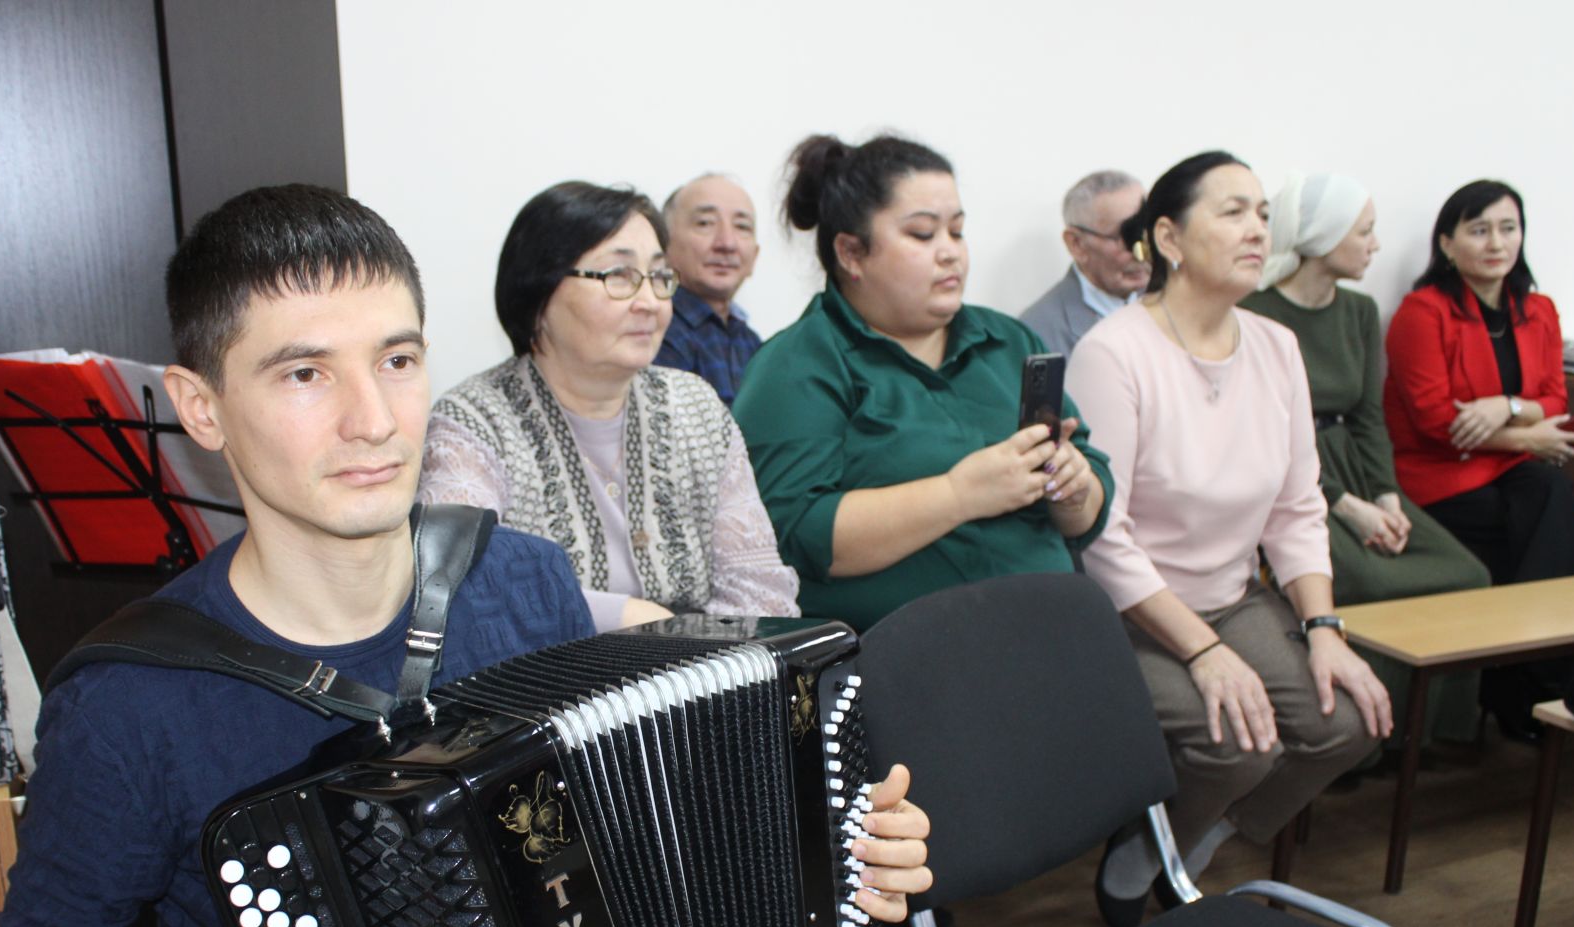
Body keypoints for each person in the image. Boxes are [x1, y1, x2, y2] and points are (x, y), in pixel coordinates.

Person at [0, 185, 958, 927]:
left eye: (397, 360)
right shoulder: (133, 696)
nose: (373, 417)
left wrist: (837, 848)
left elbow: (652, 847)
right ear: (200, 407)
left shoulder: (519, 583)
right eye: (306, 373)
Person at [1067, 152, 1391, 927]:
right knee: (1239, 746)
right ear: (1170, 239)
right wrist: (1205, 652)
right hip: (1128, 612)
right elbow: (1100, 536)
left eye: (1263, 214)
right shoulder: (1115, 353)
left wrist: (1323, 629)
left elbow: (1296, 507)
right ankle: (1152, 847)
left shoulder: (1277, 347)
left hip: (1234, 596)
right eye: (1233, 212)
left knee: (1349, 721)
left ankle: (1198, 832)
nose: (1256, 230)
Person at [732, 133, 1113, 633]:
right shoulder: (798, 365)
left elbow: (1091, 488)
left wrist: (1075, 486)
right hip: (908, 660)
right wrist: (959, 494)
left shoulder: (1007, 340)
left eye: (956, 232)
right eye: (922, 235)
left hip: (1051, 628)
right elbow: (792, 533)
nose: (950, 253)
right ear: (851, 252)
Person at [421, 181, 798, 634]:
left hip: (700, 687)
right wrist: (632, 619)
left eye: (660, 277)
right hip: (549, 694)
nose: (650, 302)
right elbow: (461, 584)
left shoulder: (696, 408)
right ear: (539, 296)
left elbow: (759, 586)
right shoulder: (473, 423)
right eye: (619, 275)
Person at [1241, 174, 1490, 752]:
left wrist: (1386, 498)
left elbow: (1369, 416)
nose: (1376, 245)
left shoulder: (1358, 310)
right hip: (1298, 481)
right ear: (1324, 238)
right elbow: (1263, 434)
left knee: (1467, 575)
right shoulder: (1255, 311)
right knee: (1374, 582)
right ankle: (1365, 744)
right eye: (1365, 232)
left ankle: (1427, 735)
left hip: (1357, 470)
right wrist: (1345, 507)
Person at [1383, 179, 1574, 739]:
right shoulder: (1422, 313)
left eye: (1508, 228)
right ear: (1448, 244)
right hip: (1436, 474)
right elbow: (1437, 423)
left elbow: (1553, 398)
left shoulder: (1538, 309)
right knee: (1553, 511)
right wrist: (1528, 436)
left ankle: (1521, 679)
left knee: (1547, 500)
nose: (1496, 242)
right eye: (1479, 230)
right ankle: (1542, 678)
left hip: (1503, 470)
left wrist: (1503, 404)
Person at [653, 172, 764, 404]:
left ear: (754, 256)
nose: (726, 243)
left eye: (742, 226)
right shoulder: (654, 329)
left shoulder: (753, 344)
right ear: (665, 246)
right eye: (705, 223)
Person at [1018, 169, 1149, 357]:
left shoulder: (1175, 302)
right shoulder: (1037, 336)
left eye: (1146, 231)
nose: (1141, 252)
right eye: (1126, 237)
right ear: (1076, 244)